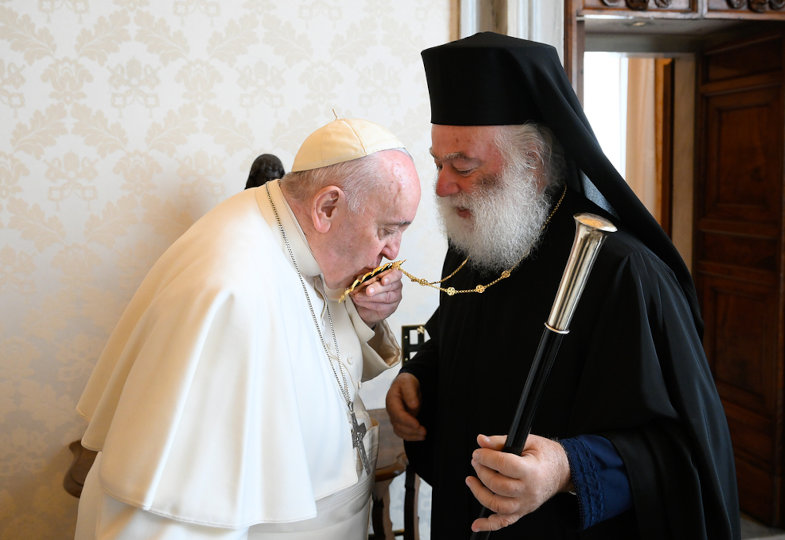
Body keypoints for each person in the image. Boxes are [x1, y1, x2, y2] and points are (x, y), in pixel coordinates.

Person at [386, 32, 740, 539]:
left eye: (463, 166)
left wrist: (568, 468)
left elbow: (681, 449)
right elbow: (458, 340)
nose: (442, 185)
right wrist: (419, 378)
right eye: (438, 162)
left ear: (532, 161)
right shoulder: (476, 244)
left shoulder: (624, 273)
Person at [75, 117, 421, 539]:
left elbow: (309, 358)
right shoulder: (229, 291)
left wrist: (361, 316)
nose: (393, 252)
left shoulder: (294, 238)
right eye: (386, 230)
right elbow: (178, 517)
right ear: (327, 207)